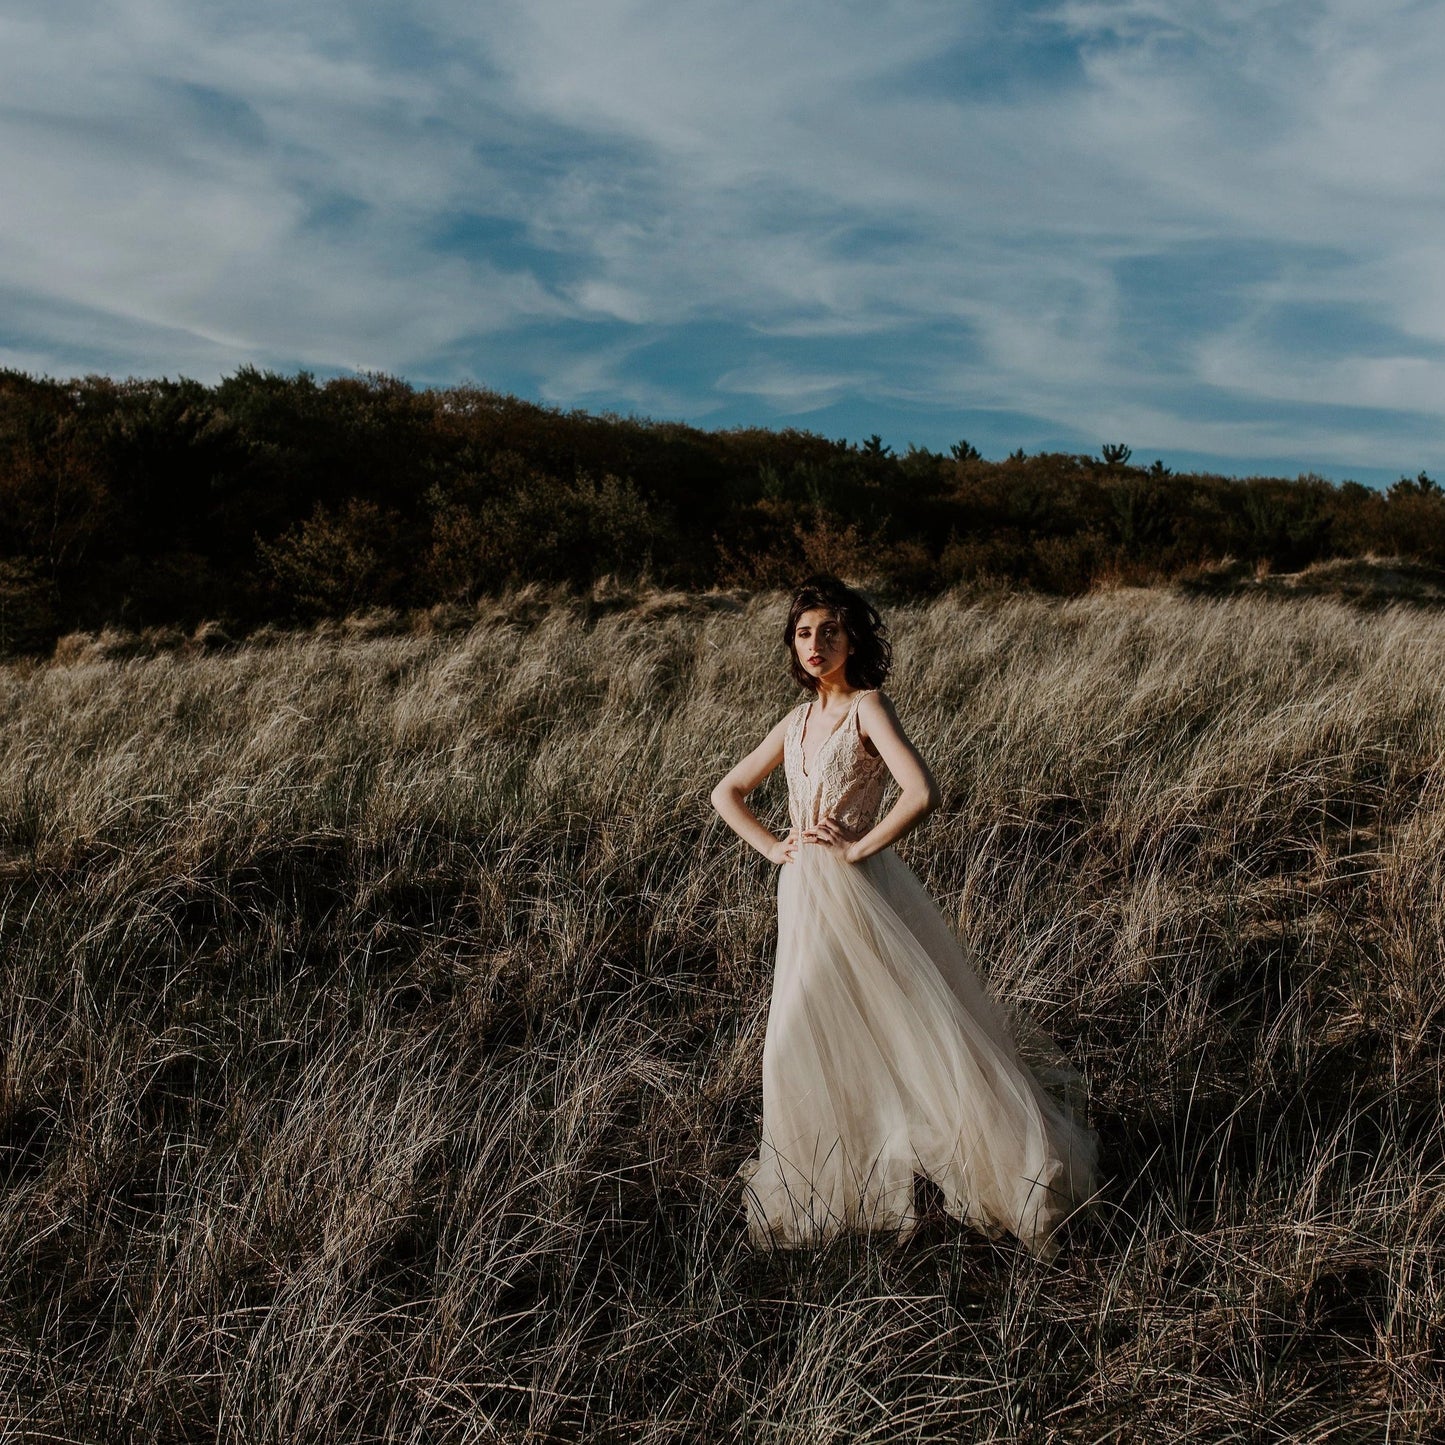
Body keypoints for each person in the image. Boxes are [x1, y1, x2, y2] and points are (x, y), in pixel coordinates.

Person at [710, 574, 1097, 1256]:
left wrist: (858, 844)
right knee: (812, 1035)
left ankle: (1001, 1166)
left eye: (829, 631)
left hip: (859, 889)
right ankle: (829, 1186)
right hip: (802, 892)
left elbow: (921, 791)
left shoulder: (866, 706)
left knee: (902, 1027)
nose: (814, 644)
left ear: (851, 637)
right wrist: (775, 845)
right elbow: (726, 791)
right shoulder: (793, 721)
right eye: (803, 633)